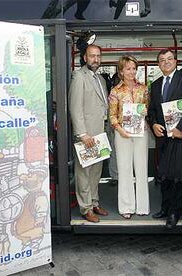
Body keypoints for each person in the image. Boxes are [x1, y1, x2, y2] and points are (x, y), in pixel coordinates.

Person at [148, 49, 182, 229]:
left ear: (176, 62)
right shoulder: (155, 85)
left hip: (181, 137)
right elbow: (152, 110)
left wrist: (181, 129)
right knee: (164, 175)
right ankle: (165, 207)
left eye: (169, 59)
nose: (166, 62)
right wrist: (153, 124)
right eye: (162, 60)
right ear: (158, 64)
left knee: (178, 176)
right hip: (163, 138)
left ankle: (175, 212)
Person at [69, 44, 109, 223]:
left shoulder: (100, 78)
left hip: (100, 133)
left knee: (96, 172)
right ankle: (85, 208)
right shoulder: (79, 76)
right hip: (86, 135)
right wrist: (82, 134)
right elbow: (75, 107)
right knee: (84, 172)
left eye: (98, 56)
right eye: (92, 56)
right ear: (85, 58)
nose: (96, 59)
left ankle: (94, 202)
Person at [109, 55, 150, 219]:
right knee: (124, 169)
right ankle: (126, 206)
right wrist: (120, 129)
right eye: (128, 68)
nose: (131, 72)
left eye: (134, 68)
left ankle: (142, 206)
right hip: (122, 134)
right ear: (121, 71)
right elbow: (112, 115)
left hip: (141, 132)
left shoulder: (144, 89)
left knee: (142, 168)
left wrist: (145, 112)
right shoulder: (115, 91)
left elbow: (147, 108)